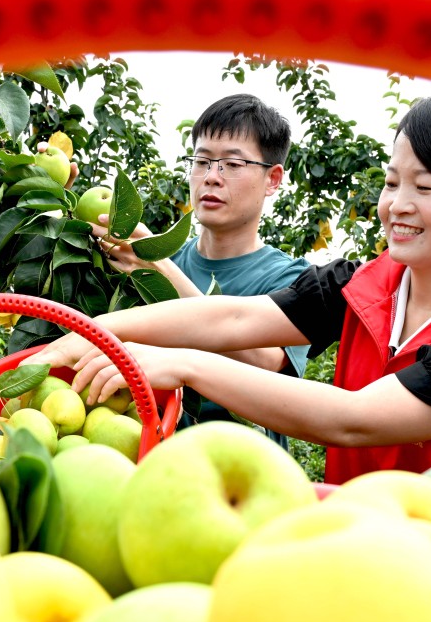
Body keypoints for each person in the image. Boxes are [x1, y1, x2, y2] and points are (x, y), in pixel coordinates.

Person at [33, 91, 431, 509]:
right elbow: (236, 317)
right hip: (368, 553)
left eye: (427, 188)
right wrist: (95, 329)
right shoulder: (370, 285)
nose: (398, 206)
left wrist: (183, 365)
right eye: (393, 183)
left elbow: (354, 419)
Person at [89, 93, 311, 446]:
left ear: (272, 180)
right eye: (202, 161)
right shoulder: (150, 262)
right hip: (148, 460)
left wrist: (160, 269)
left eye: (233, 165)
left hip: (239, 470)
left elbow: (265, 362)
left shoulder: (290, 277)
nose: (211, 177)